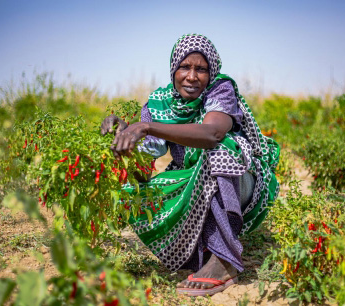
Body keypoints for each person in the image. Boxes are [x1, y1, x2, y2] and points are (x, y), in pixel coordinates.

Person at [101, 33, 280, 296]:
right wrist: (125, 142)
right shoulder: (159, 103)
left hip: (243, 181)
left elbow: (212, 135)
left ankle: (223, 261)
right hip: (196, 182)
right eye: (185, 67)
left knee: (220, 150)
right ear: (173, 69)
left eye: (201, 69)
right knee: (137, 194)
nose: (192, 76)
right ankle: (201, 251)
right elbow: (142, 172)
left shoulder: (221, 89)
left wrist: (148, 127)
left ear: (212, 72)